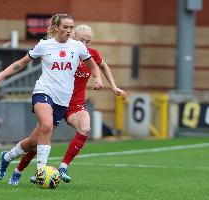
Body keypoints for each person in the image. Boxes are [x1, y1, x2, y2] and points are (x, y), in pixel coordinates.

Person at [0, 14, 103, 181]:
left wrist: (97, 77)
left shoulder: (78, 47)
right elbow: (22, 62)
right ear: (56, 28)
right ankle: (41, 172)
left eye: (71, 27)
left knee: (34, 141)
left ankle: (7, 158)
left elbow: (93, 65)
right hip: (44, 92)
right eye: (65, 27)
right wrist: (1, 75)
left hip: (62, 100)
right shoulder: (44, 45)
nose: (69, 31)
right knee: (46, 125)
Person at [8, 24, 126, 186]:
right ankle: (18, 171)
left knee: (85, 128)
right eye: (82, 40)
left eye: (88, 42)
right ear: (73, 39)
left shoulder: (90, 55)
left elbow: (102, 66)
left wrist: (113, 86)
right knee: (37, 141)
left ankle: (63, 167)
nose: (85, 44)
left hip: (74, 105)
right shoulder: (64, 53)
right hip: (55, 101)